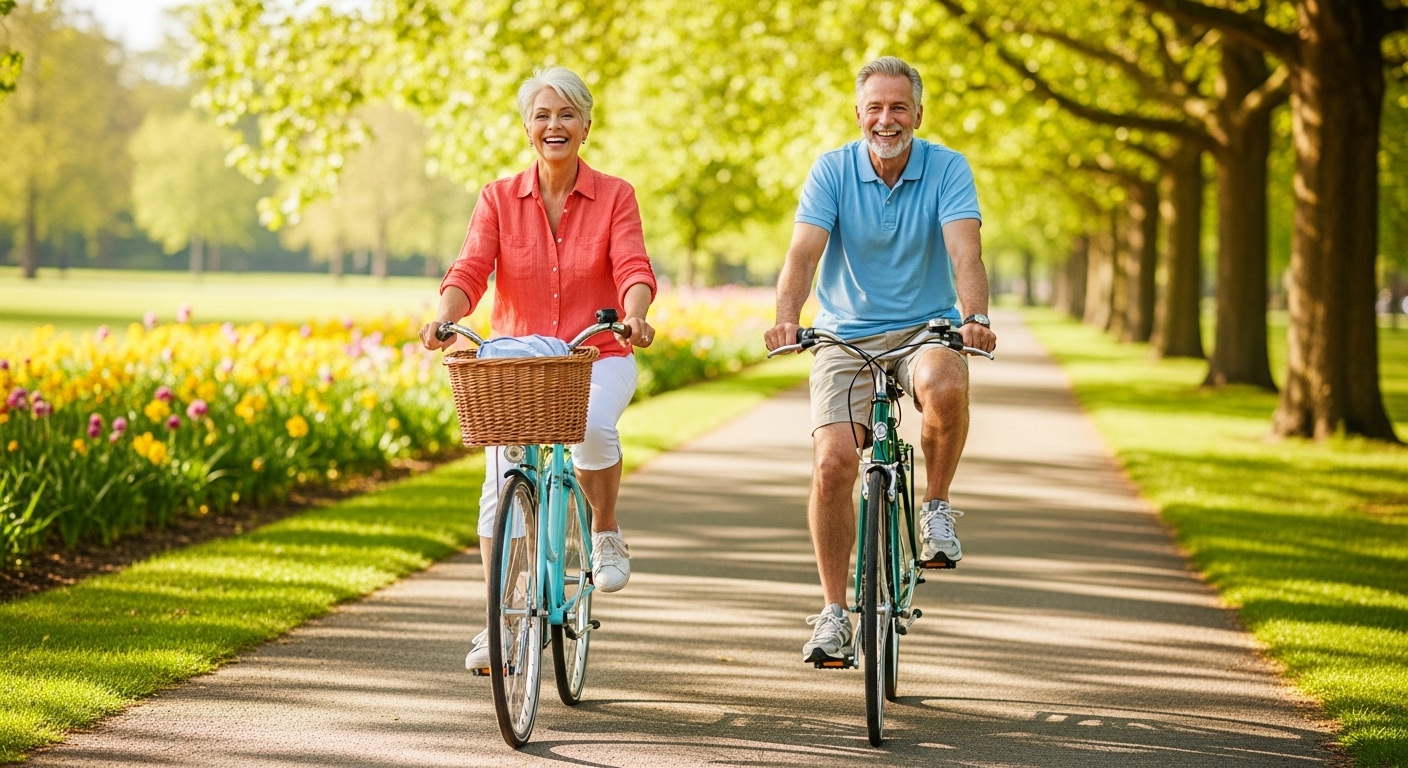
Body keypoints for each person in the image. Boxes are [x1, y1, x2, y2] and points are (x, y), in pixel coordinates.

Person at [419, 66, 658, 671]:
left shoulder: (616, 195)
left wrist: (634, 315)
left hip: (594, 354)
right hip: (519, 363)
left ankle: (604, 529)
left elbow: (633, 266)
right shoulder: (498, 198)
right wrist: (444, 317)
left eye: (567, 114)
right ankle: (499, 622)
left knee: (593, 427)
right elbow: (470, 269)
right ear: (528, 128)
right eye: (543, 115)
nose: (555, 125)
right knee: (498, 487)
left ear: (586, 125)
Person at [763, 56, 996, 664]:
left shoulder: (947, 168)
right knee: (833, 463)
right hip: (846, 336)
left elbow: (965, 252)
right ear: (858, 114)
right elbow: (802, 255)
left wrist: (975, 317)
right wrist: (786, 315)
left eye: (898, 107)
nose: (886, 119)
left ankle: (936, 508)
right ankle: (834, 613)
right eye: (875, 108)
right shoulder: (831, 170)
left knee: (945, 384)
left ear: (918, 113)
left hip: (925, 329)